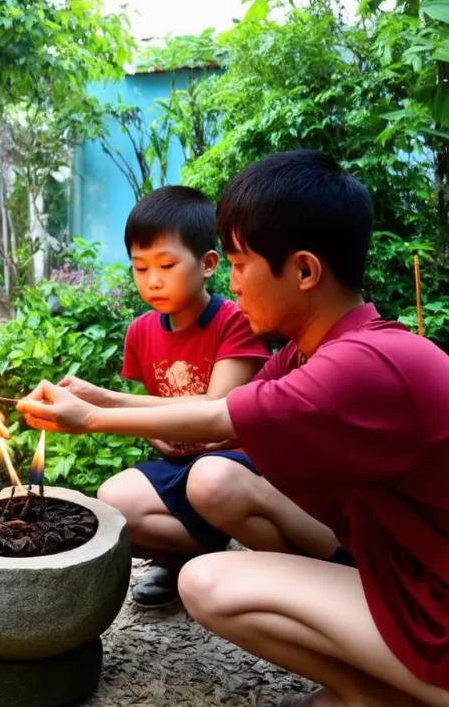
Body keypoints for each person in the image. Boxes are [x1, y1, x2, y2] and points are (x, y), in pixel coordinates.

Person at [18, 150, 449, 707]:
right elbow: (215, 407)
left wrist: (90, 420)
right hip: (407, 578)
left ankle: (390, 697)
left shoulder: (362, 364)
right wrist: (107, 399)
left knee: (207, 580)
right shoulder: (318, 349)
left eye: (242, 260)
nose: (233, 279)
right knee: (209, 554)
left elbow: (220, 424)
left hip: (435, 605)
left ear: (303, 270)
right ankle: (383, 690)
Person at [65, 186, 338, 609]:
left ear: (209, 263)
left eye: (167, 265)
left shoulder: (236, 321)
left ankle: (312, 578)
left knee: (210, 477)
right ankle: (195, 558)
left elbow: (217, 410)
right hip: (182, 462)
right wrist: (155, 435)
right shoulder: (141, 331)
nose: (153, 280)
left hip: (237, 459)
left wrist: (100, 406)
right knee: (113, 505)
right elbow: (155, 405)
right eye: (140, 268)